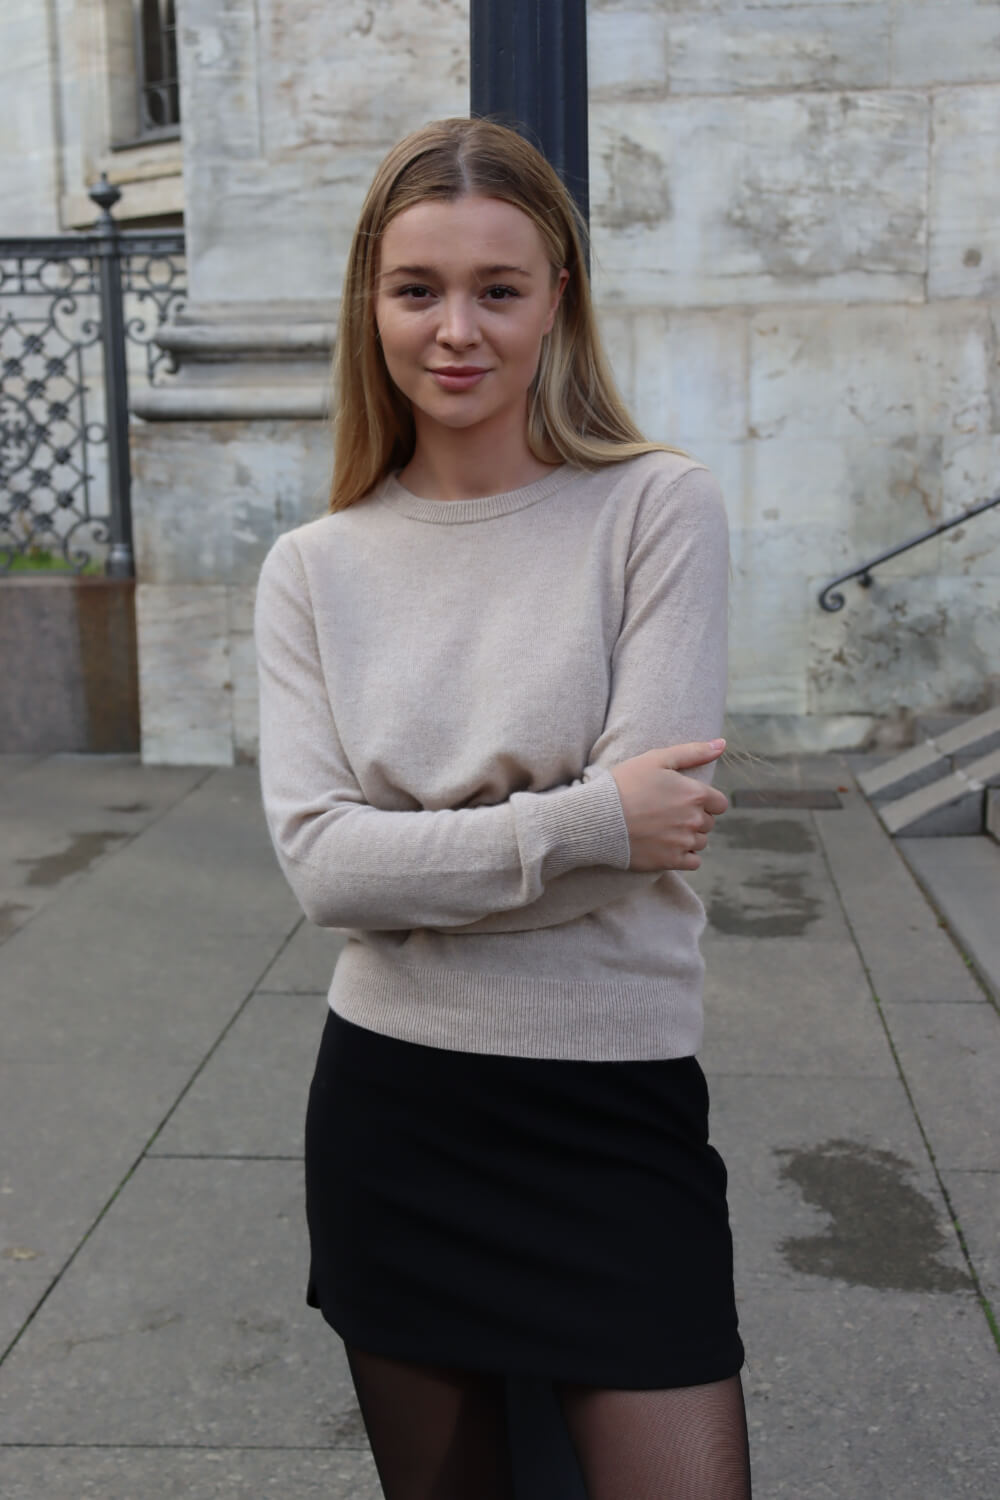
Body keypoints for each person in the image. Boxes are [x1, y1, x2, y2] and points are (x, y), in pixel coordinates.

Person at [253, 115, 751, 1500]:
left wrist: (425, 860)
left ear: (558, 301)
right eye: (418, 289)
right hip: (398, 1114)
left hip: (614, 1109)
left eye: (499, 289)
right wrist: (587, 820)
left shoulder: (657, 509)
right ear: (372, 304)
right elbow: (326, 872)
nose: (456, 330)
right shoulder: (313, 568)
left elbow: (651, 834)